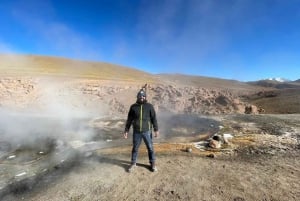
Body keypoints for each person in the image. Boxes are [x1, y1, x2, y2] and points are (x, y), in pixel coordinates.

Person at [123, 89, 159, 172]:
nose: (141, 97)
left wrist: (156, 130)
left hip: (147, 131)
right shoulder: (133, 107)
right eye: (140, 96)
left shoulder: (149, 106)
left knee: (150, 148)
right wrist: (126, 130)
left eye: (143, 96)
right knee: (135, 148)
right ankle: (133, 163)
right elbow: (129, 120)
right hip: (136, 132)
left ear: (145, 97)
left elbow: (154, 118)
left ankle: (152, 163)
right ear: (138, 97)